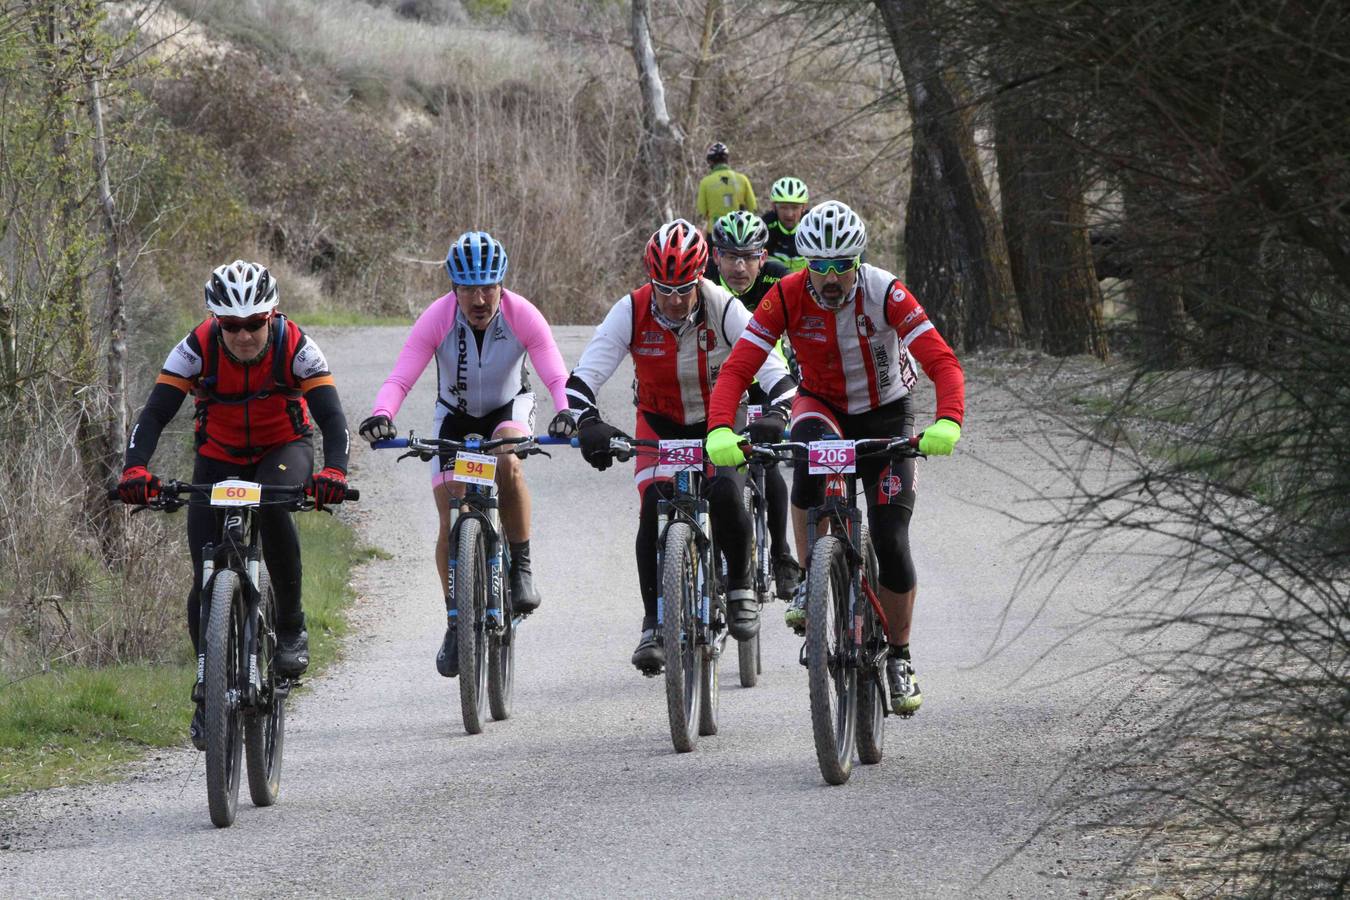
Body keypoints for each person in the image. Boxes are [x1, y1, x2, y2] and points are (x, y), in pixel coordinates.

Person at [703, 200, 965, 717]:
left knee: (890, 538)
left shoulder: (886, 292)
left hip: (887, 413)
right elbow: (737, 368)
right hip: (822, 405)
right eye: (817, 265)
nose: (828, 277)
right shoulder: (785, 295)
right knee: (805, 462)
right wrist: (717, 430)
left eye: (840, 265)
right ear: (803, 263)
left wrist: (949, 420)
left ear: (857, 262)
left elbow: (941, 360)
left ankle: (900, 656)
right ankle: (809, 579)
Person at [117, 260, 351, 749]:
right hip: (218, 459)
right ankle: (208, 695)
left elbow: (332, 417)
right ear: (215, 321)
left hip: (282, 451)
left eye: (254, 323)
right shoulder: (196, 346)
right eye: (231, 325)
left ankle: (290, 627)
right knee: (204, 570)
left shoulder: (297, 347)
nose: (244, 335)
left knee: (274, 507)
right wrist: (134, 469)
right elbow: (155, 413)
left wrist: (334, 472)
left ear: (272, 315)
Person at [547, 219, 796, 675]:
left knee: (724, 491)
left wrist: (778, 413)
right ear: (650, 281)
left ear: (701, 277)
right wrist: (588, 421)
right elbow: (583, 377)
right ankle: (652, 624)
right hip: (659, 422)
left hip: (720, 419)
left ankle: (740, 585)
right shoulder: (631, 310)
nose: (676, 300)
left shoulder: (724, 308)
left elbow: (775, 371)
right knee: (652, 505)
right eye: (665, 288)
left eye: (685, 288)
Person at [358, 231, 568, 681]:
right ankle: (456, 621)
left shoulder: (522, 314)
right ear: (453, 288)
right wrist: (381, 413)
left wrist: (569, 413)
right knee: (450, 509)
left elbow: (555, 373)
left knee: (508, 459)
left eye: (488, 287)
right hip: (453, 415)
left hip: (509, 408)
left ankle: (522, 568)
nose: (479, 298)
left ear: (501, 285)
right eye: (469, 288)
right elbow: (400, 377)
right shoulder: (437, 317)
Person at [705, 211, 800, 599]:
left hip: (767, 380)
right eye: (731, 257)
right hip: (721, 382)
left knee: (767, 462)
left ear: (763, 257)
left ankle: (780, 553)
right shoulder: (705, 285)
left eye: (749, 257)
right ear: (715, 257)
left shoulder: (779, 277)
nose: (740, 267)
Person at [695, 142, 757, 233]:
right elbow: (753, 207)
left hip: (715, 231)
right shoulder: (742, 179)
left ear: (711, 162)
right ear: (727, 159)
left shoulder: (705, 182)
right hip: (739, 231)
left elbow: (701, 210)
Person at [763, 177, 810, 272]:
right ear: (773, 207)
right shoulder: (764, 227)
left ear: (804, 207)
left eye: (795, 207)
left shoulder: (813, 225)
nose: (789, 214)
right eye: (783, 207)